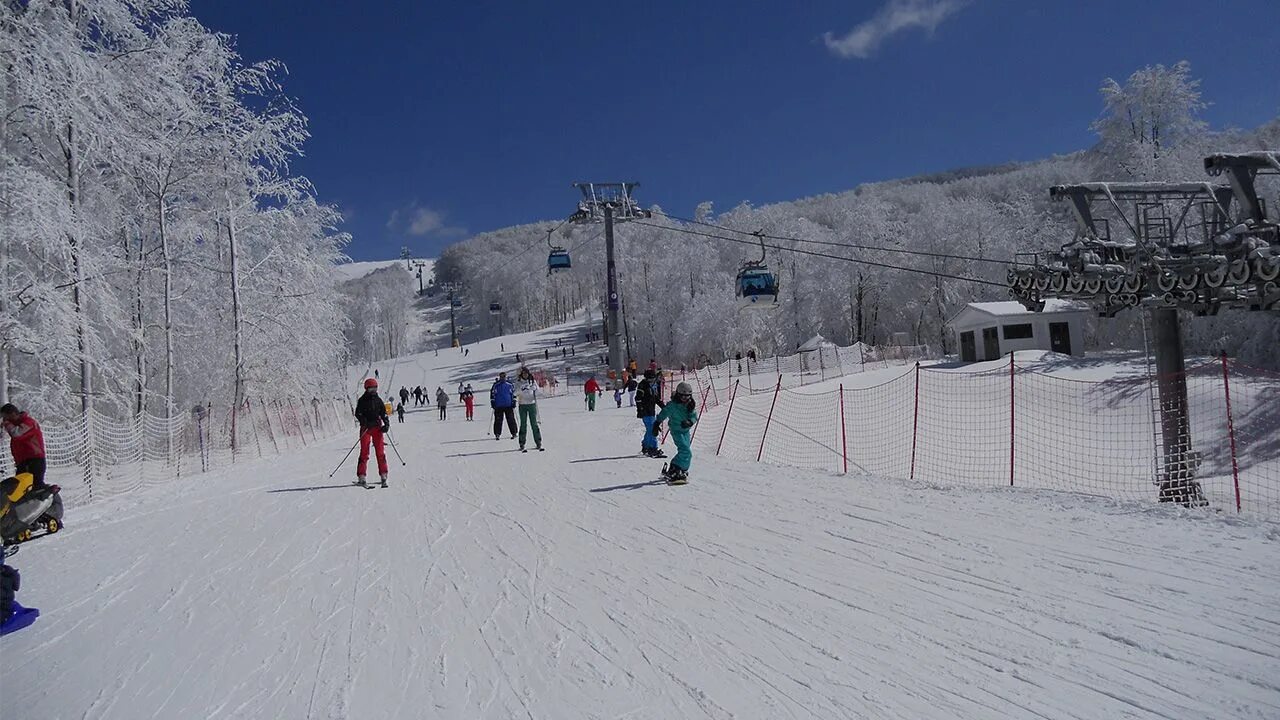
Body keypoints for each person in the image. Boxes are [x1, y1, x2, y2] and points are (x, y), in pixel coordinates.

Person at [653, 382, 698, 484]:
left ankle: (681, 469)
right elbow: (663, 413)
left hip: (685, 431)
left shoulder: (690, 404)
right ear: (678, 394)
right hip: (676, 430)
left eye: (687, 396)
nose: (685, 398)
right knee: (686, 451)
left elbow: (694, 415)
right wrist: (657, 423)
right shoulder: (673, 405)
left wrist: (690, 422)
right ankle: (676, 467)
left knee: (686, 452)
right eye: (683, 396)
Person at [354, 378, 390, 487]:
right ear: (366, 388)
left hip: (377, 429)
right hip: (366, 429)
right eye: (371, 388)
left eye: (375, 388)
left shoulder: (378, 400)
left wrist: (386, 424)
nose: (373, 390)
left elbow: (383, 413)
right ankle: (362, 476)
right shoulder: (362, 400)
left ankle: (384, 474)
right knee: (364, 452)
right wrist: (364, 422)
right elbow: (358, 413)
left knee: (380, 452)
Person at [1, 404, 45, 489]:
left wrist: (6, 424)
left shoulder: (29, 422)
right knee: (19, 488)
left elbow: (17, 433)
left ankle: (51, 499)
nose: (5, 420)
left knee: (36, 485)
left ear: (13, 414)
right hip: (22, 461)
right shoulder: (16, 424)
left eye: (6, 417)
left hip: (34, 459)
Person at [635, 369, 666, 458]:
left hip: (651, 411)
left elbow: (656, 398)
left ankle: (645, 446)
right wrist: (640, 410)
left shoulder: (653, 385)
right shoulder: (642, 385)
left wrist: (663, 406)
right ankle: (653, 448)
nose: (652, 381)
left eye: (653, 379)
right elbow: (638, 398)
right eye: (650, 379)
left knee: (650, 430)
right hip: (645, 411)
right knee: (652, 429)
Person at [515, 367, 543, 452]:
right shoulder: (519, 382)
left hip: (531, 404)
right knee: (523, 424)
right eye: (523, 373)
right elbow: (515, 392)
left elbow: (538, 392)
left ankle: (538, 441)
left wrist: (534, 388)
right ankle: (522, 442)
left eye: (526, 373)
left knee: (534, 423)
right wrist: (521, 390)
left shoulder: (532, 381)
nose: (525, 375)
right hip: (522, 405)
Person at [490, 372, 517, 440]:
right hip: (498, 405)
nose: (503, 378)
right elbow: (492, 394)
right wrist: (493, 402)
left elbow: (513, 393)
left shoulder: (509, 384)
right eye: (501, 376)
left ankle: (514, 433)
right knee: (498, 420)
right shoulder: (496, 385)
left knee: (511, 419)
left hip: (508, 405)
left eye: (504, 376)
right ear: (500, 377)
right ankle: (497, 434)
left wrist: (514, 402)